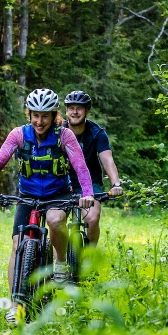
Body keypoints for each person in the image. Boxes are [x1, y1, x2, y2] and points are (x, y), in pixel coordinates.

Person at [0, 89, 95, 310]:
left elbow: (80, 166)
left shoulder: (64, 135)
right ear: (29, 114)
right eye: (35, 115)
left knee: (54, 220)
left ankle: (60, 263)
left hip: (58, 194)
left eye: (45, 116)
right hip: (28, 194)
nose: (39, 121)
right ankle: (15, 305)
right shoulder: (19, 135)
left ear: (54, 116)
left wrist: (87, 193)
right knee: (16, 243)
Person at [62, 90, 123, 245]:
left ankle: (90, 255)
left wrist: (116, 184)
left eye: (79, 108)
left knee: (92, 218)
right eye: (71, 108)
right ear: (66, 110)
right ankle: (58, 262)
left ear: (87, 110)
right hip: (62, 183)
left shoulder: (97, 133)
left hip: (90, 183)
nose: (75, 112)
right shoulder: (57, 131)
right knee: (56, 220)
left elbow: (107, 159)